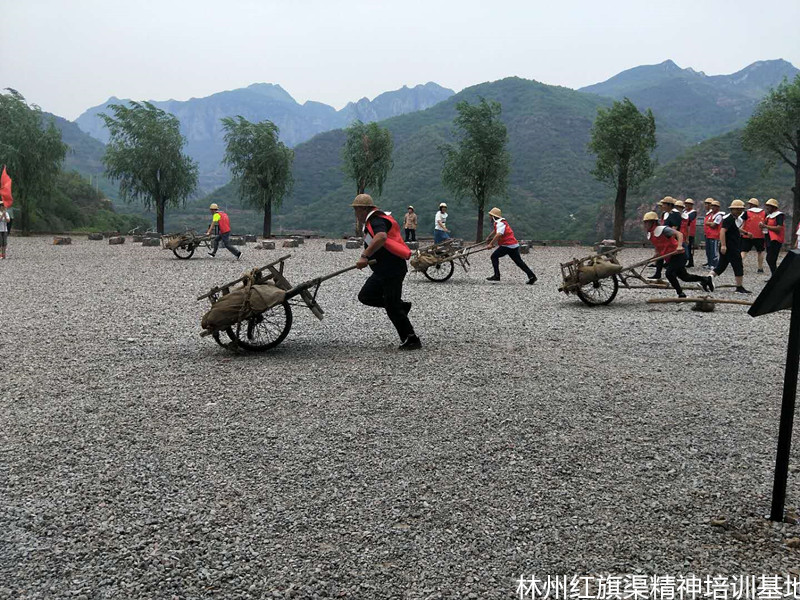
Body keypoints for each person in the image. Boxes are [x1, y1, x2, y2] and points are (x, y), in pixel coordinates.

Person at [352, 194, 421, 350]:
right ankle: (401, 306)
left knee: (392, 306)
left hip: (392, 270)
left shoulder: (376, 220)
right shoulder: (373, 220)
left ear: (364, 209)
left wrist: (364, 256)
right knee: (365, 296)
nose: (356, 214)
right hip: (381, 270)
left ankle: (411, 339)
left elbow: (381, 237)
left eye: (356, 210)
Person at [643, 212, 712, 298]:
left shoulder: (663, 229)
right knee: (685, 277)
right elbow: (658, 245)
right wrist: (656, 254)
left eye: (647, 222)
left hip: (679, 254)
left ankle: (680, 294)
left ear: (653, 222)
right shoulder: (650, 234)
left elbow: (679, 234)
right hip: (670, 256)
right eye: (645, 222)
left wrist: (679, 246)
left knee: (669, 273)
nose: (645, 224)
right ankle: (705, 279)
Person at [484, 207, 537, 284]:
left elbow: (498, 234)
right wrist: (489, 237)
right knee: (519, 262)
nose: (489, 217)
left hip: (507, 245)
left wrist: (490, 244)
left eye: (490, 216)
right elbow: (496, 231)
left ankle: (497, 276)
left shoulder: (500, 223)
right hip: (514, 245)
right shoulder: (502, 222)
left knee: (494, 256)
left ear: (493, 216)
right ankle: (532, 276)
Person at [710, 199, 751, 294]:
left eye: (740, 209)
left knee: (721, 266)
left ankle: (706, 280)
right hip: (730, 247)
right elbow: (722, 231)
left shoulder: (733, 219)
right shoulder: (729, 219)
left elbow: (735, 229)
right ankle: (739, 287)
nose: (739, 211)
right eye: (737, 209)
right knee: (738, 265)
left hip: (730, 246)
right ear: (732, 209)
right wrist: (723, 245)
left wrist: (746, 233)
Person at [653, 197, 681, 279]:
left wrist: (670, 238)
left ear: (669, 205)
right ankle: (658, 273)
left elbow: (675, 227)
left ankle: (674, 273)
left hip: (671, 238)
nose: (663, 206)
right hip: (664, 238)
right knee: (660, 255)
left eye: (664, 204)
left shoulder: (675, 214)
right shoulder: (666, 213)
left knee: (671, 257)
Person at [740, 198, 767, 273]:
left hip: (747, 235)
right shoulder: (764, 213)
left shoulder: (747, 212)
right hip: (760, 235)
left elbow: (742, 222)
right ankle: (760, 268)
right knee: (760, 251)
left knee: (744, 251)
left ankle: (739, 266)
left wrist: (741, 232)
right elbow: (765, 223)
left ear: (751, 205)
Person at [760, 198, 785, 276]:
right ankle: (775, 276)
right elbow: (766, 227)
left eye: (769, 206)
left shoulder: (779, 215)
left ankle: (776, 276)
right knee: (771, 260)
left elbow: (779, 228)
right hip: (769, 239)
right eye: (767, 206)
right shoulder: (768, 216)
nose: (767, 207)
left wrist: (765, 226)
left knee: (770, 259)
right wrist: (762, 226)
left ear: (774, 207)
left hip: (775, 240)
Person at [702, 198, 721, 268]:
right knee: (708, 251)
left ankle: (715, 265)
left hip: (714, 236)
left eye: (714, 206)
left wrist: (708, 223)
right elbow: (709, 223)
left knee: (714, 251)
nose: (712, 207)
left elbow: (714, 225)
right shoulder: (711, 215)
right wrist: (709, 223)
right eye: (712, 206)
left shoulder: (719, 215)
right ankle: (710, 264)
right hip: (708, 235)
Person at [683, 198, 698, 267]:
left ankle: (690, 262)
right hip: (684, 232)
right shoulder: (684, 211)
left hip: (690, 232)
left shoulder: (693, 212)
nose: (687, 205)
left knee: (690, 247)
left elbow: (689, 219)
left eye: (688, 204)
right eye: (686, 204)